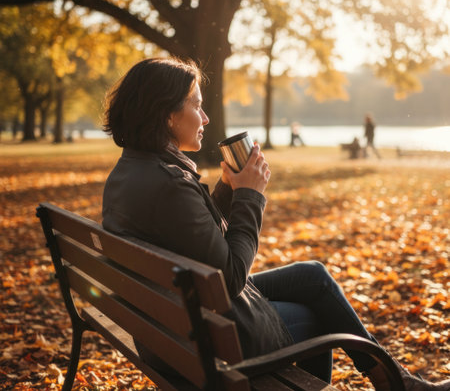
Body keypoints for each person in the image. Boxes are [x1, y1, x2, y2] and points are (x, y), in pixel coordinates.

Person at [102, 57, 449, 390]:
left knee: (312, 275)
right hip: (205, 339)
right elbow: (231, 277)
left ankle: (396, 381)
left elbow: (189, 234)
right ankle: (396, 383)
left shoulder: (133, 170)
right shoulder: (169, 183)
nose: (206, 118)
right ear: (166, 115)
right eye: (196, 106)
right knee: (319, 317)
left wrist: (230, 188)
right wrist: (250, 196)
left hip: (173, 324)